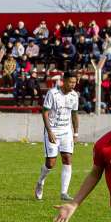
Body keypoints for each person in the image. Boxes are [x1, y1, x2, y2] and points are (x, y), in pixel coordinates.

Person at [35, 72, 80, 201]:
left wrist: (75, 133)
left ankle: (64, 193)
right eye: (70, 82)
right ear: (64, 81)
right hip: (53, 130)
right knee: (50, 163)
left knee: (67, 159)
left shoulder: (74, 96)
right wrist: (49, 131)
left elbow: (75, 115)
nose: (72, 85)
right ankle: (40, 181)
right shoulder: (52, 93)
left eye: (74, 82)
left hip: (66, 132)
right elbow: (45, 112)